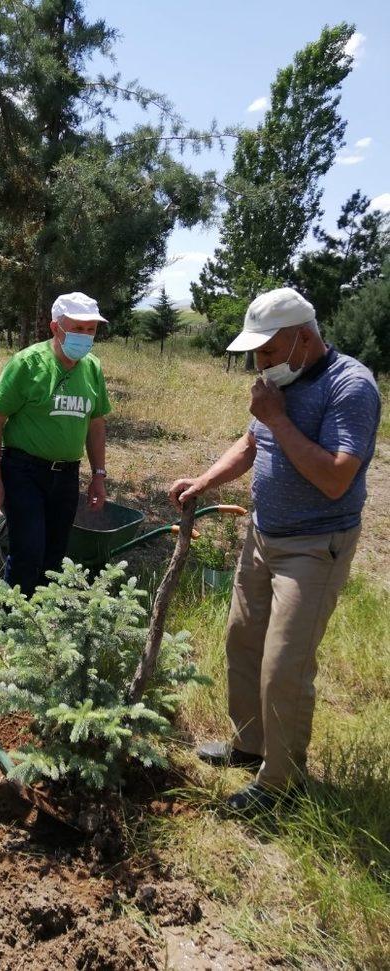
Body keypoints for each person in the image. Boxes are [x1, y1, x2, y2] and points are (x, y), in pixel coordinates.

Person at [168, 288, 381, 813]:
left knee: (285, 665)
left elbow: (336, 479)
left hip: (315, 548)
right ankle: (249, 745)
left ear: (303, 337)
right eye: (255, 353)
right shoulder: (278, 383)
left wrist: (278, 418)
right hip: (263, 535)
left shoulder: (350, 386)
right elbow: (250, 445)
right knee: (242, 642)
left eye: (267, 350)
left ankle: (281, 784)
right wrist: (204, 481)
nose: (260, 364)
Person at [0, 292, 112, 596]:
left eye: (91, 329)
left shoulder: (92, 368)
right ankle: (12, 614)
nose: (85, 335)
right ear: (56, 327)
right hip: (23, 471)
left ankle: (43, 615)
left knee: (55, 553)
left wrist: (99, 475)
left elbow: (96, 425)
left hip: (66, 475)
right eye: (77, 328)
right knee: (28, 550)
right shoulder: (27, 364)